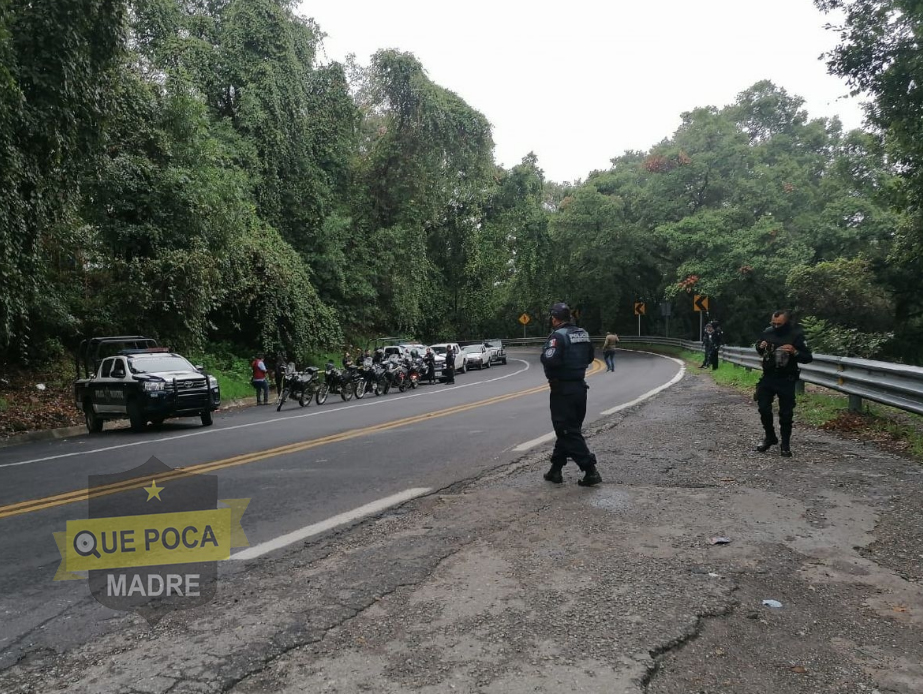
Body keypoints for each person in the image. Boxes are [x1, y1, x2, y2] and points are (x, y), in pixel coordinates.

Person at [540, 302, 601, 486]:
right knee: (568, 430)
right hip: (580, 389)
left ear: (555, 318)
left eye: (552, 317)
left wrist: (543, 355)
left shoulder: (558, 336)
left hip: (562, 390)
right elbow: (590, 357)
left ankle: (590, 469)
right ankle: (555, 470)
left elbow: (550, 360)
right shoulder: (582, 333)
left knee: (567, 431)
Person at [754, 310, 813, 457]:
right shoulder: (767, 332)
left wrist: (795, 351)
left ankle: (785, 445)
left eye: (779, 324)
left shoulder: (796, 335)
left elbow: (807, 357)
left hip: (786, 378)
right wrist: (760, 347)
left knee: (786, 414)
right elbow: (760, 350)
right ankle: (770, 437)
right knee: (763, 408)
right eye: (773, 323)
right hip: (768, 377)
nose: (775, 326)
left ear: (786, 322)